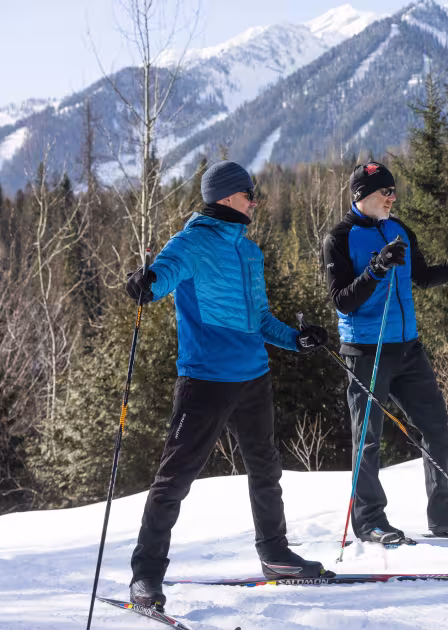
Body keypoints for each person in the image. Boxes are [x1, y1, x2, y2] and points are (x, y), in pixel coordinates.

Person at [125, 160, 331, 609]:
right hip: (205, 380)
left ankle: (275, 554)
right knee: (175, 478)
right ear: (224, 198)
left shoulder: (248, 252)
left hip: (253, 376)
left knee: (266, 469)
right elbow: (163, 274)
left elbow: (259, 320)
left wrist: (298, 340)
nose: (255, 200)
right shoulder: (191, 243)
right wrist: (146, 283)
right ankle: (145, 576)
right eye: (247, 193)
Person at [322, 161, 448, 545]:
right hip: (365, 351)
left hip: (407, 349)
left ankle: (444, 514)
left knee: (436, 428)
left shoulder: (399, 230)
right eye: (385, 192)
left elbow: (424, 276)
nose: (392, 197)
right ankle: (370, 521)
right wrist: (376, 269)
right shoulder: (340, 237)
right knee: (368, 438)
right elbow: (342, 301)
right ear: (361, 196)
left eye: (393, 190)